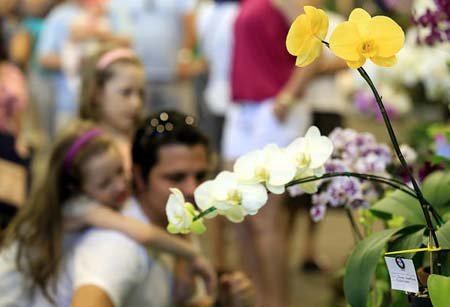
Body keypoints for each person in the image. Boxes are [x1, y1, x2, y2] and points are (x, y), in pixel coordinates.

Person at [0, 120, 216, 306]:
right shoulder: (78, 208)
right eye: (105, 183)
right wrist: (190, 252)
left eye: (120, 171)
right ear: (76, 187)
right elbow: (144, 233)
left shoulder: (99, 197)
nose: (121, 186)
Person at [67, 111, 255, 307]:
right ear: (138, 176)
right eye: (176, 178)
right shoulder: (117, 244)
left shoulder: (178, 220)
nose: (193, 189)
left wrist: (221, 303)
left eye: (200, 176)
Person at [79, 47, 145, 178]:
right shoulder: (87, 149)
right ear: (96, 93)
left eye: (141, 94)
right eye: (126, 93)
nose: (136, 103)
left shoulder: (138, 142)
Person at [0, 60, 30, 231]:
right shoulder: (11, 74)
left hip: (6, 142)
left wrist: (20, 139)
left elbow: (17, 112)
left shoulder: (10, 74)